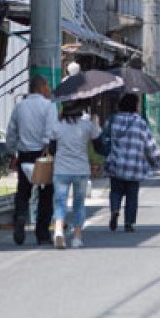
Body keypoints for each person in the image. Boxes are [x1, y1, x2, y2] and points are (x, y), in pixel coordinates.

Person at [7, 75, 58, 245]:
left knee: (23, 191)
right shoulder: (49, 106)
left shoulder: (19, 106)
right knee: (46, 194)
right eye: (47, 86)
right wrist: (47, 146)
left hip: (24, 154)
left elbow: (11, 131)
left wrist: (12, 152)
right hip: (42, 154)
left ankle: (20, 217)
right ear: (41, 86)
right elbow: (51, 131)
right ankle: (42, 233)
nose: (49, 89)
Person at [104, 93, 160, 232]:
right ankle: (129, 223)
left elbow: (104, 138)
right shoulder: (140, 122)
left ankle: (115, 210)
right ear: (135, 106)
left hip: (116, 163)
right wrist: (159, 162)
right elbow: (150, 144)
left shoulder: (113, 120)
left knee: (115, 191)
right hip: (134, 165)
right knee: (132, 195)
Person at [51, 100, 100, 249]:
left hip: (61, 169)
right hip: (81, 170)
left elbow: (52, 149)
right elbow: (97, 142)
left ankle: (58, 230)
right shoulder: (87, 126)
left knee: (60, 202)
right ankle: (77, 238)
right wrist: (95, 122)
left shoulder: (57, 126)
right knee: (79, 204)